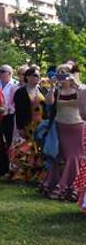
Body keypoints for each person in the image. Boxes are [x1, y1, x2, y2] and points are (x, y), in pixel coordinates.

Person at [41, 66, 85, 201]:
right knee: (60, 156)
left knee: (74, 156)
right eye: (59, 73)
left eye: (64, 73)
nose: (61, 75)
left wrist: (76, 84)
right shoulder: (58, 90)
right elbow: (48, 102)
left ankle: (72, 187)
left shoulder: (81, 88)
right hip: (60, 127)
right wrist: (52, 87)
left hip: (76, 127)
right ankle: (54, 183)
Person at [9, 67, 47, 183]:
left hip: (41, 124)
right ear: (28, 77)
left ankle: (37, 175)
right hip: (27, 124)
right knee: (26, 148)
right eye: (34, 75)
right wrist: (20, 127)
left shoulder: (42, 90)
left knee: (39, 149)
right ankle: (20, 175)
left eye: (38, 76)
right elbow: (19, 111)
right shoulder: (21, 92)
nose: (37, 78)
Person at [0, 64, 19, 149]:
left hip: (10, 115)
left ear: (10, 73)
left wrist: (9, 109)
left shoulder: (15, 84)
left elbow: (16, 101)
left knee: (9, 137)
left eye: (2, 71)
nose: (0, 73)